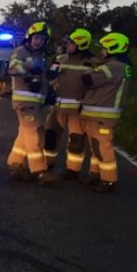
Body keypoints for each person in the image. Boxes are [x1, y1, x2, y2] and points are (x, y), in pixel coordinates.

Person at [6, 21, 59, 185]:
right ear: (29, 37)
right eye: (37, 38)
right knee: (35, 134)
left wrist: (48, 91)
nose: (39, 42)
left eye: (42, 39)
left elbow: (42, 78)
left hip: (34, 102)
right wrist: (29, 73)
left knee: (25, 134)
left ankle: (15, 165)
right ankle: (40, 171)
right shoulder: (21, 51)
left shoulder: (39, 56)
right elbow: (13, 67)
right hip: (24, 102)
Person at [79, 32, 133, 194]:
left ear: (113, 48)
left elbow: (88, 80)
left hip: (104, 114)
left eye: (103, 49)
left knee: (103, 147)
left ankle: (109, 180)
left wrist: (86, 69)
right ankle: (95, 174)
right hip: (100, 113)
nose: (101, 52)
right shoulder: (120, 66)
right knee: (95, 145)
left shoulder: (115, 67)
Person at [43, 28, 98, 178]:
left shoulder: (93, 63)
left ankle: (73, 170)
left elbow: (96, 86)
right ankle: (47, 164)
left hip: (77, 109)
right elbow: (50, 76)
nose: (68, 45)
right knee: (50, 135)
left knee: (76, 140)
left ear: (81, 44)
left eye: (71, 43)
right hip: (57, 107)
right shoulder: (60, 59)